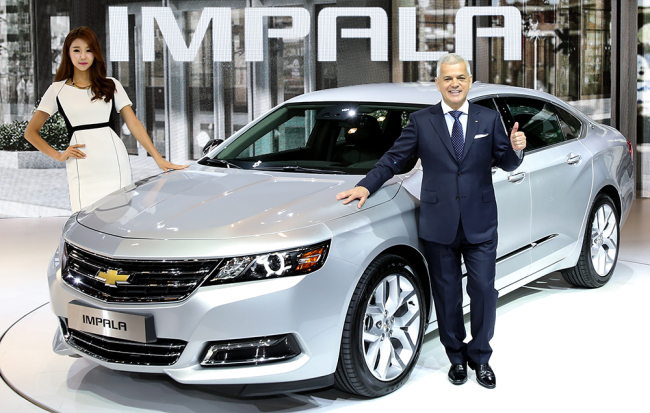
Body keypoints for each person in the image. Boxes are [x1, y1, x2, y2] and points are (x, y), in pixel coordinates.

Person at [336, 53, 527, 389]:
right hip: (439, 224)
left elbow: (508, 163)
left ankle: (480, 357)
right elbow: (395, 159)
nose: (454, 84)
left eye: (461, 78)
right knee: (446, 293)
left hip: (481, 222)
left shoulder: (488, 118)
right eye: (448, 78)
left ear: (470, 82)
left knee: (483, 290)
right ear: (438, 83)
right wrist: (366, 185)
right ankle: (455, 357)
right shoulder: (422, 121)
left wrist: (516, 149)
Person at [24, 26, 187, 212]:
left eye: (88, 50)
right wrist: (59, 155)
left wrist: (158, 158)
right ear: (68, 54)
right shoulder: (57, 89)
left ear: (96, 54)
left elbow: (133, 123)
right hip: (82, 164)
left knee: (120, 215)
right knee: (83, 218)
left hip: (114, 161)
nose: (83, 56)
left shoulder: (111, 85)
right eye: (76, 50)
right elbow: (30, 132)